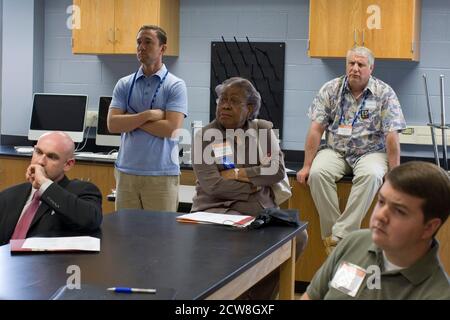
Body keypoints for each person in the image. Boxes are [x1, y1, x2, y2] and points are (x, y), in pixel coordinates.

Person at [191, 77, 308, 299]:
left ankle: (257, 299)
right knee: (240, 239)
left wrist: (239, 174)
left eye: (233, 101)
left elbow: (276, 170)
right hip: (217, 210)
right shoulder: (205, 135)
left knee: (299, 237)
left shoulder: (263, 130)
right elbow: (212, 185)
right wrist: (252, 186)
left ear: (250, 108)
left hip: (261, 209)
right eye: (222, 100)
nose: (224, 105)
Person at [296, 46, 406, 254]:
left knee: (372, 175)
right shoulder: (330, 89)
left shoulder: (385, 93)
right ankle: (336, 241)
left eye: (361, 64)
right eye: (351, 63)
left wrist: (394, 174)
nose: (355, 68)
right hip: (335, 150)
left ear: (371, 68)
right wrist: (306, 165)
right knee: (318, 174)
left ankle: (339, 237)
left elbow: (392, 136)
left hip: (371, 151)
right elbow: (315, 130)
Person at [301, 161, 450, 300]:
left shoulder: (437, 293)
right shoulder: (354, 243)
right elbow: (311, 296)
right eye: (381, 202)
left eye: (399, 211)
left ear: (429, 227)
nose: (380, 216)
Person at [107, 25, 188, 212]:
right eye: (139, 42)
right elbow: (112, 124)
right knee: (126, 236)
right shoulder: (124, 84)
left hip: (161, 175)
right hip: (126, 173)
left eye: (148, 42)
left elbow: (171, 129)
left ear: (163, 48)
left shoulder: (175, 85)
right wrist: (148, 115)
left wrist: (129, 120)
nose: (141, 47)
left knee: (159, 237)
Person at [0, 132, 103, 246]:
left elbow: (90, 220)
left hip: (46, 262)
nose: (40, 162)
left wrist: (44, 184)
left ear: (68, 164)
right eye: (38, 152)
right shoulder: (9, 195)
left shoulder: (82, 191)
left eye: (51, 157)